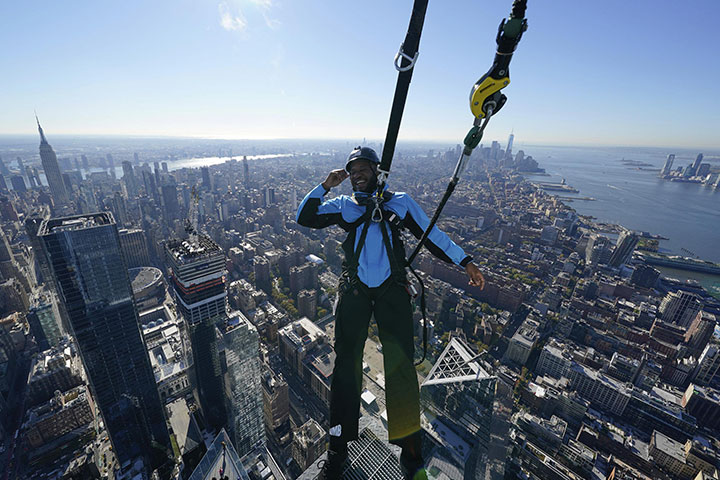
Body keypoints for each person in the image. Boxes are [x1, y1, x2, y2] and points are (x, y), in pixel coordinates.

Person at [296, 146, 485, 479]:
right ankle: (337, 449)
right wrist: (325, 185)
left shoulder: (400, 202)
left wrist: (464, 260)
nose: (356, 175)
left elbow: (431, 236)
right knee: (345, 368)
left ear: (377, 170)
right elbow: (305, 216)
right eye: (352, 171)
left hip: (391, 290)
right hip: (355, 289)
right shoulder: (345, 205)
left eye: (362, 169)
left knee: (401, 370)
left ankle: (410, 454)